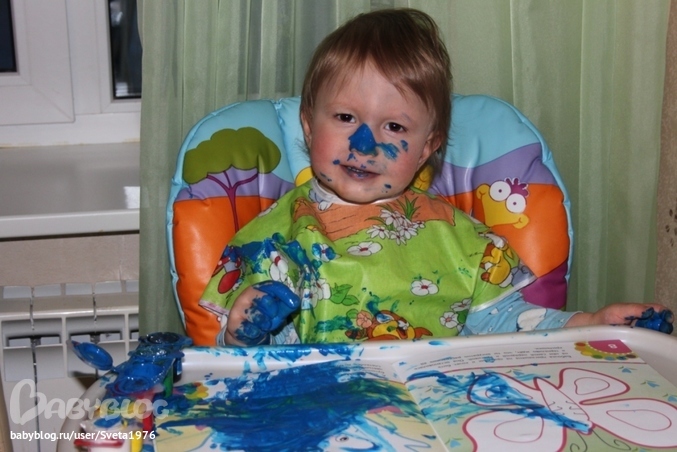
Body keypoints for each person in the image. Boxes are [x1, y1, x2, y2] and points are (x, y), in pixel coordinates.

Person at [198, 8, 672, 346]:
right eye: (345, 117)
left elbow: (512, 326)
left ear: (427, 148)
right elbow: (236, 366)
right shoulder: (274, 241)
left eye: (395, 127)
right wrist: (244, 330)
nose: (364, 145)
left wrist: (592, 325)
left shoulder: (461, 241)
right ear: (308, 124)